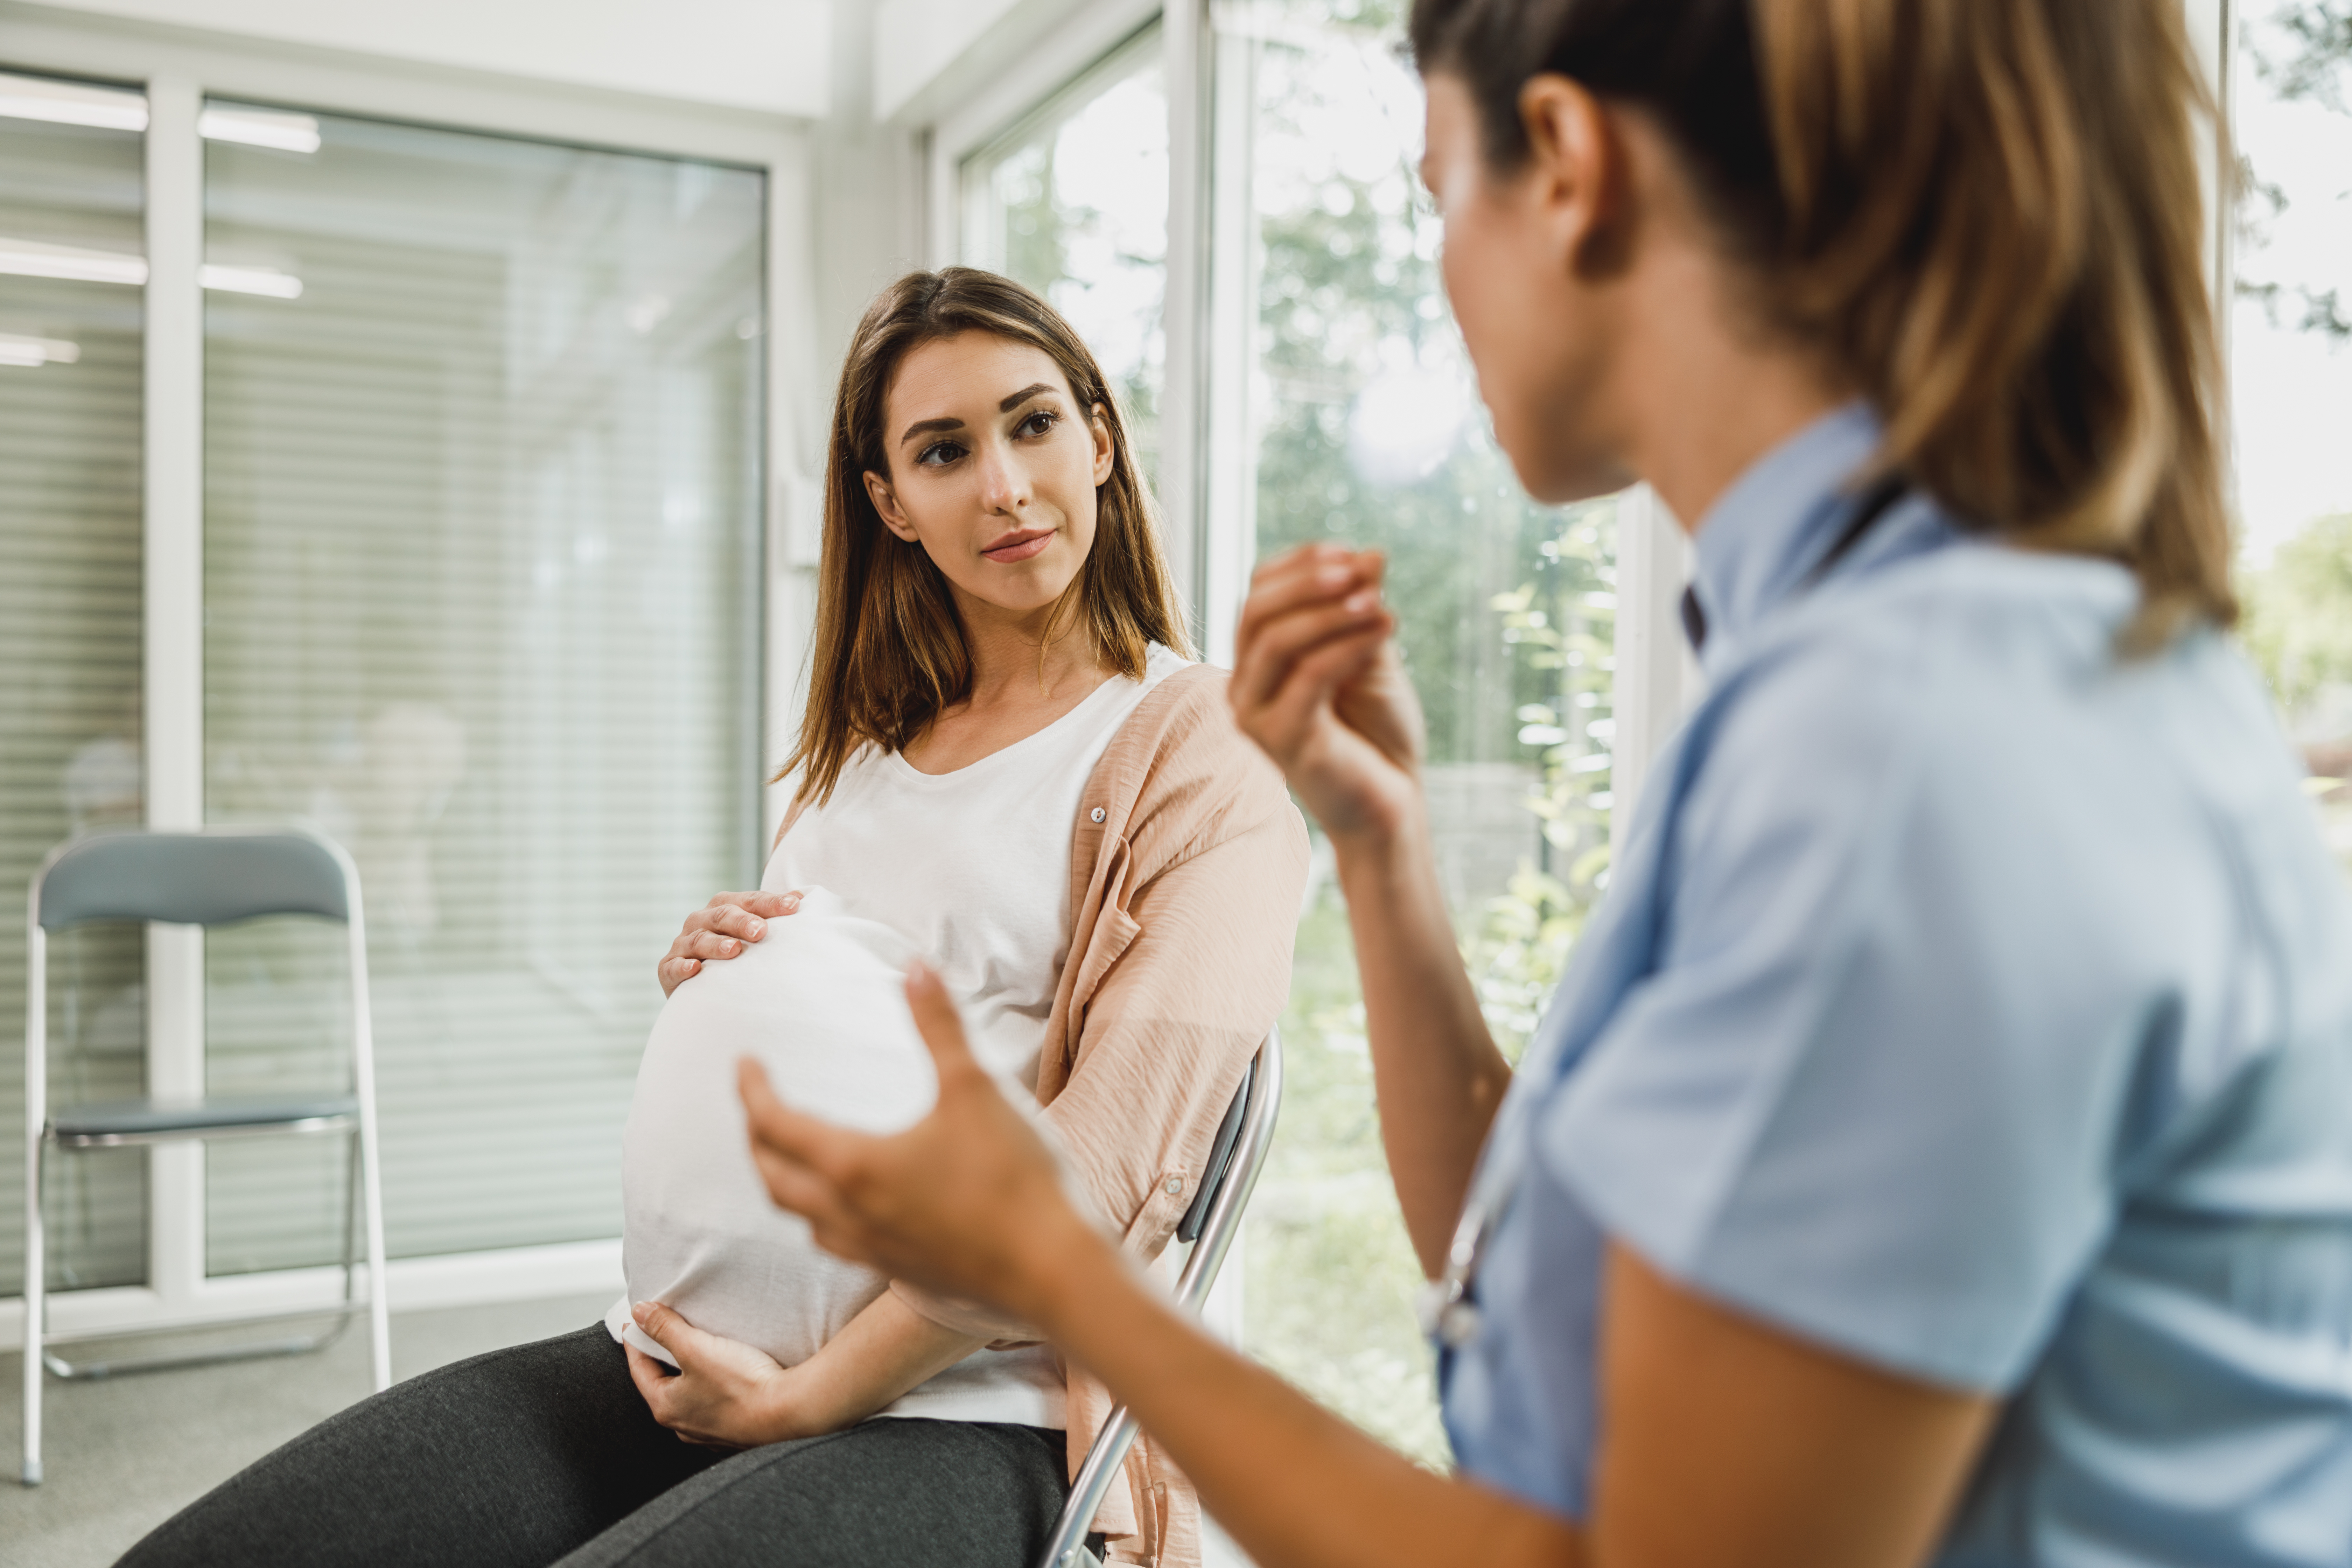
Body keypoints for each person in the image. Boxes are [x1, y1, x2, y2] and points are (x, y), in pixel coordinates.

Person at [733, 3, 2352, 1567]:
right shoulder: (1853, 677)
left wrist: (1052, 1263)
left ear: (1568, 163)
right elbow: (1518, 1275)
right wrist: (1385, 850)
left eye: (1440, 193)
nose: (1441, 274)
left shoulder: (1914, 746)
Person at [119, 269, 1306, 1568]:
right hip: (675, 1356)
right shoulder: (872, 744)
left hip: (974, 1409)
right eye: (943, 451)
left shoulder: (1203, 753)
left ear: (1101, 436)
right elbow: (856, 1007)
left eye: (1033, 426)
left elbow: (1098, 1182)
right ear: (890, 504)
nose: (1006, 486)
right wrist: (731, 973)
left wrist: (811, 1398)